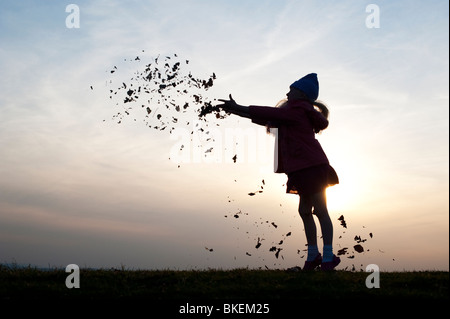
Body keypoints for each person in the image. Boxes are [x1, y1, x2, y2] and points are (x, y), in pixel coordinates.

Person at [217, 73, 340, 271]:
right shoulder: (293, 113)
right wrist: (236, 110)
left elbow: (268, 113)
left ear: (300, 93)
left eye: (290, 89)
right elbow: (266, 117)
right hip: (302, 169)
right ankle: (314, 255)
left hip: (312, 167)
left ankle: (327, 257)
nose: (287, 93)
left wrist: (237, 108)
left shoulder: (297, 111)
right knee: (305, 211)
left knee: (320, 211)